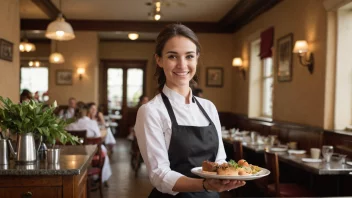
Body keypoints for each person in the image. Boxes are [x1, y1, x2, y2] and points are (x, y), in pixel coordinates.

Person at [134, 24, 245, 198]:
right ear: (159, 60)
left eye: (189, 56)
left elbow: (219, 160)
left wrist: (228, 176)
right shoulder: (151, 111)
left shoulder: (209, 107)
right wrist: (205, 185)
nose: (182, 64)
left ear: (196, 58)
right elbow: (159, 175)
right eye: (172, 56)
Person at [65, 104, 112, 183]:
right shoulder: (92, 123)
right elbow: (98, 137)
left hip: (73, 155)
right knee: (103, 151)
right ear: (88, 113)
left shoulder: (70, 126)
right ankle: (98, 177)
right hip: (91, 154)